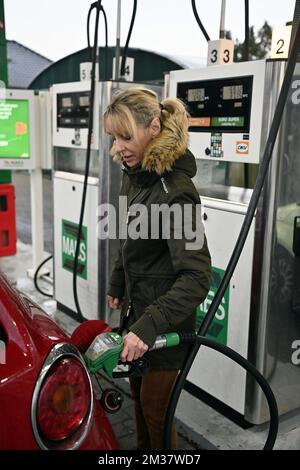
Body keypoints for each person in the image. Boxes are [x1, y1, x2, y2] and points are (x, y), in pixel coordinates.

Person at [104, 87, 211, 450]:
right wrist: (118, 282)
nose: (119, 147)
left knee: (156, 415)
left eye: (126, 136)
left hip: (164, 327)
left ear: (154, 127)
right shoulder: (132, 175)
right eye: (114, 137)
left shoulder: (177, 191)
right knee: (139, 404)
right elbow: (125, 235)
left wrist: (149, 326)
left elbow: (197, 277)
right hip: (137, 316)